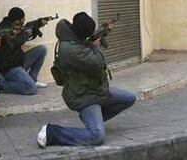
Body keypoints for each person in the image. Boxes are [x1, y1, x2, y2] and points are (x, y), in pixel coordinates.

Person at [36, 12, 136, 148]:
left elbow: (86, 43)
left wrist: (102, 33)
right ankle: (52, 132)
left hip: (97, 89)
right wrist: (96, 45)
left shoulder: (74, 36)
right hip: (84, 96)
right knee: (96, 137)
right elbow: (98, 63)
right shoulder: (69, 49)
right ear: (82, 33)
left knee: (130, 98)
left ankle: (95, 120)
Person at [0, 7, 48, 95]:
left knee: (42, 49)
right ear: (16, 20)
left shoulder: (15, 26)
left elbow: (24, 29)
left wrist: (37, 25)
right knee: (31, 89)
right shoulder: (3, 29)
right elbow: (14, 43)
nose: (22, 22)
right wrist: (27, 34)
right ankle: (0, 85)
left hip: (19, 61)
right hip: (9, 67)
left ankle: (32, 79)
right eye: (21, 20)